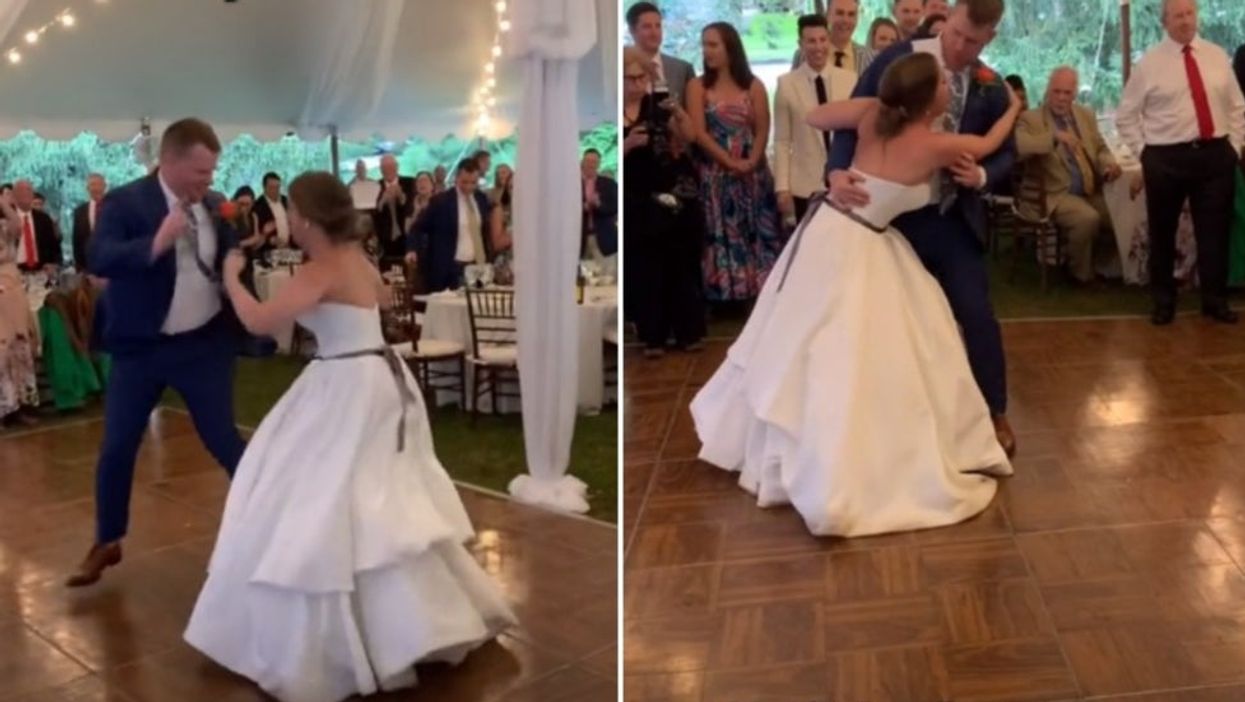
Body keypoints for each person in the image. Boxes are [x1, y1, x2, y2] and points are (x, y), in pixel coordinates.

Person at [185, 171, 515, 701]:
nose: (288, 219)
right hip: (381, 377)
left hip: (345, 382)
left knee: (320, 491)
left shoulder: (318, 269)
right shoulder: (355, 258)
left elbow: (258, 321)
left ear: (308, 219)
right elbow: (384, 299)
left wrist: (229, 276)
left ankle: (342, 631)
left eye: (292, 211)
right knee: (379, 489)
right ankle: (413, 620)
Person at [692, 51, 1020, 537]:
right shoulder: (935, 144)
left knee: (808, 340)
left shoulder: (870, 115)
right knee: (840, 348)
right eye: (942, 86)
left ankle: (805, 437)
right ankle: (842, 453)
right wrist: (1014, 104)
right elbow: (990, 140)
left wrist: (867, 119)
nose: (950, 89)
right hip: (856, 243)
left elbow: (816, 115)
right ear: (928, 102)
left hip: (829, 228)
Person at [828, 0, 1018, 456]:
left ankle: (994, 411)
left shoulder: (991, 86)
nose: (959, 46)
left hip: (954, 218)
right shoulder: (900, 59)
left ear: (989, 37)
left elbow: (1006, 150)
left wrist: (984, 176)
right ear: (948, 18)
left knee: (976, 313)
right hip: (897, 221)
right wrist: (835, 172)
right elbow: (853, 119)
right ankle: (890, 415)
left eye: (972, 41)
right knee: (893, 321)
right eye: (955, 34)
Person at [68, 118, 247, 587]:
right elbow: (99, 258)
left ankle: (272, 528)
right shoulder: (126, 202)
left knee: (225, 441)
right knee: (118, 446)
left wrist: (236, 255)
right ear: (168, 162)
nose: (208, 181)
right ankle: (107, 539)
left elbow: (227, 255)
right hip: (141, 350)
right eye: (199, 172)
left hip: (203, 346)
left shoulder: (212, 205)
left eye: (211, 172)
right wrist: (157, 243)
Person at [1116, 0, 1245, 325]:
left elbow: (1237, 106)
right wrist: (1144, 152)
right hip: (1165, 157)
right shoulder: (1149, 64)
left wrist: (1235, 147)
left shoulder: (1217, 56)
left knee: (1215, 231)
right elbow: (1126, 115)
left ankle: (1215, 300)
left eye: (1190, 14)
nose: (1186, 21)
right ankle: (1163, 302)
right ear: (1165, 21)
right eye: (1178, 16)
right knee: (1163, 231)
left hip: (1215, 155)